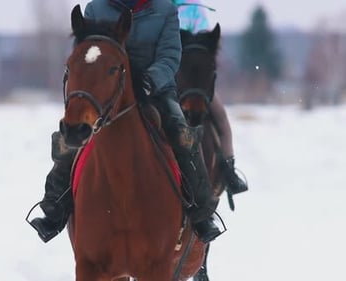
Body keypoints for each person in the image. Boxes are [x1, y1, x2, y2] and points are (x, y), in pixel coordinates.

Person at [29, 0, 223, 244]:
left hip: (155, 90)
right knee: (71, 136)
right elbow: (87, 54)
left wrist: (149, 80)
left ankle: (201, 212)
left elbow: (170, 56)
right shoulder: (95, 9)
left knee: (182, 133)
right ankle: (54, 208)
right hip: (106, 92)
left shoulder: (164, 10)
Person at [175, 0, 248, 195]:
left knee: (221, 117)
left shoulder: (194, 9)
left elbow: (204, 41)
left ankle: (228, 169)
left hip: (195, 80)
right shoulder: (155, 6)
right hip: (169, 76)